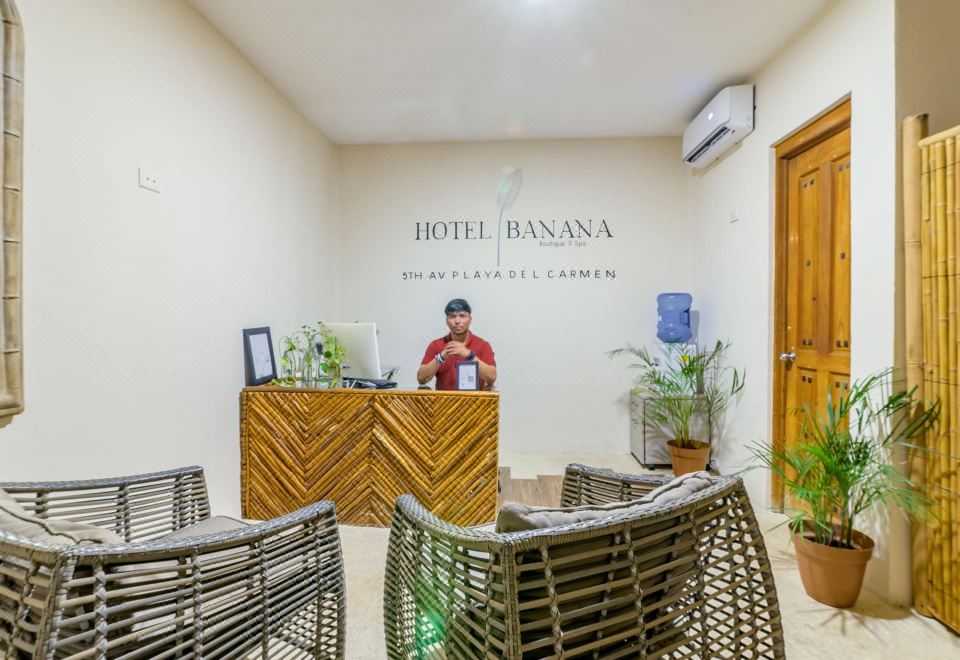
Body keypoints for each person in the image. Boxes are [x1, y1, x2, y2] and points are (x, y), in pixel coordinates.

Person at [417, 298, 496, 390]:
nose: (457, 321)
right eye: (452, 316)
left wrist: (468, 355)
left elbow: (491, 378)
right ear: (446, 320)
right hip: (443, 399)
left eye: (462, 316)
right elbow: (421, 379)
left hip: (475, 399)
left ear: (470, 319)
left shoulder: (483, 345)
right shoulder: (436, 345)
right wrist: (441, 356)